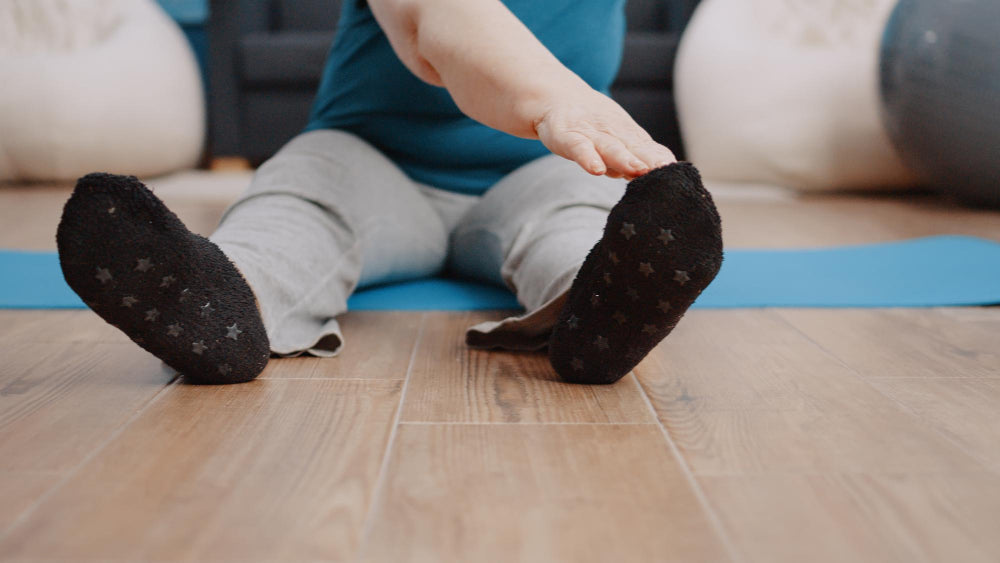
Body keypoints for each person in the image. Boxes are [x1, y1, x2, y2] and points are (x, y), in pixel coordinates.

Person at [56, 0, 723, 385]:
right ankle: (222, 300)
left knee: (577, 221)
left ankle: (596, 307)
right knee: (299, 202)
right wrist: (556, 97)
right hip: (374, 160)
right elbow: (436, 23)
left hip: (538, 170)